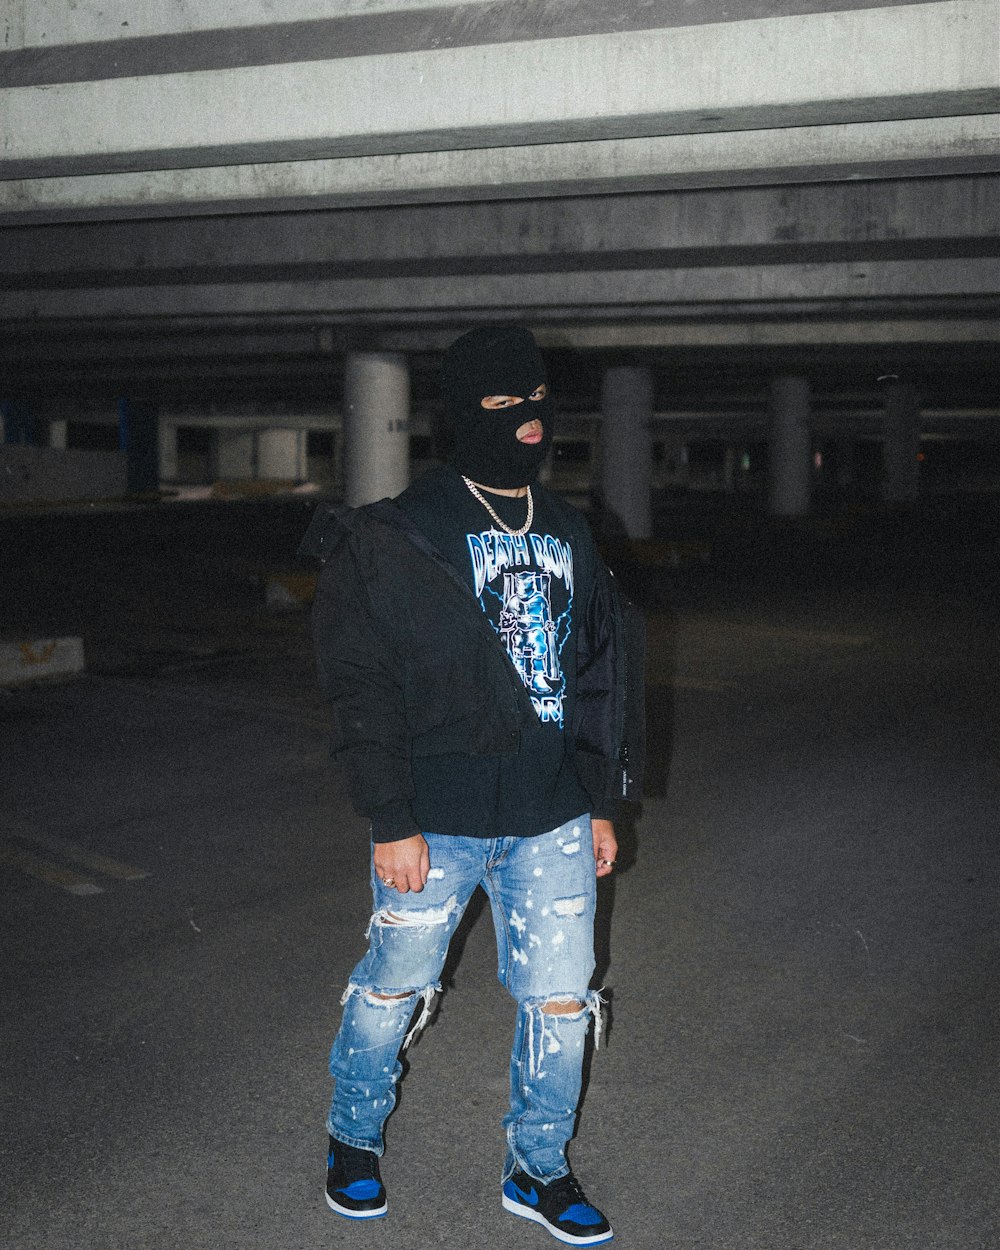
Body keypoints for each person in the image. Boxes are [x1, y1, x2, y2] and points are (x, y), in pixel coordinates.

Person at [301, 325, 644, 1246]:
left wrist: (602, 798)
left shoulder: (571, 531)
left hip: (553, 818)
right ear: (461, 416)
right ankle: (354, 1136)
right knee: (394, 986)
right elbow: (360, 685)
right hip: (434, 820)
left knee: (563, 1002)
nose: (527, 422)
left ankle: (538, 1168)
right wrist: (390, 817)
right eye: (501, 406)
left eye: (536, 401)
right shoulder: (397, 536)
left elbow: (601, 672)